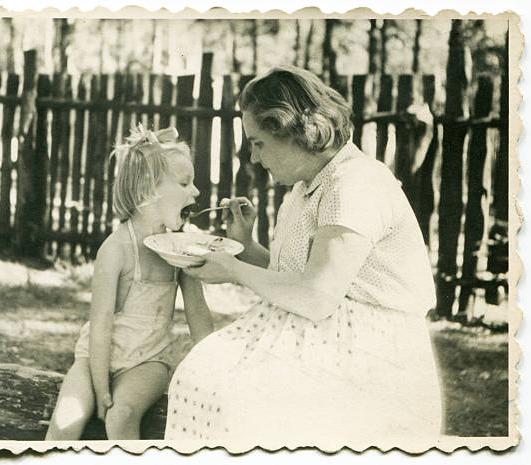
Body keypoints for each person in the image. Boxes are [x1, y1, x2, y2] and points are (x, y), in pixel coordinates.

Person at [165, 66, 442, 448]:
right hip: (321, 335)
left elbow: (316, 295)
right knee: (204, 379)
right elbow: (295, 278)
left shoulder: (356, 185)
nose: (254, 157)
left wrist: (234, 268)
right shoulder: (309, 185)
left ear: (294, 130)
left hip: (370, 356)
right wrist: (246, 246)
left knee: (236, 398)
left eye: (259, 142)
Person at [46, 125, 213, 440]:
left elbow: (198, 313)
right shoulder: (116, 249)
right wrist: (99, 387)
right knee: (65, 422)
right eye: (184, 183)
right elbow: (100, 325)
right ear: (148, 190)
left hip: (149, 361)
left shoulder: (181, 245)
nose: (196, 192)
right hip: (95, 357)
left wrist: (216, 365)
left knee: (121, 416)